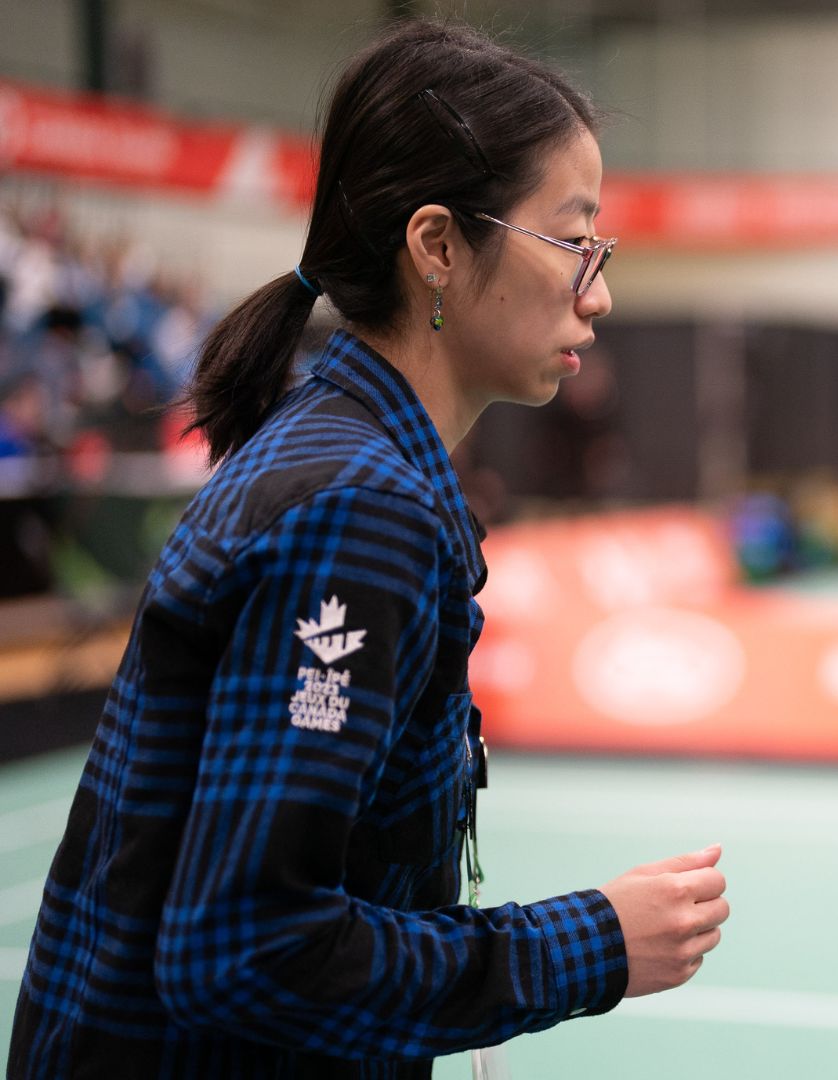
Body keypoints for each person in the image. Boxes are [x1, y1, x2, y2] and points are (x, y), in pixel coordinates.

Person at [9, 21, 729, 1078]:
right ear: (438, 245)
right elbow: (245, 949)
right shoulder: (357, 507)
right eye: (574, 245)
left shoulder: (350, 467)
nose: (599, 292)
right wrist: (591, 944)